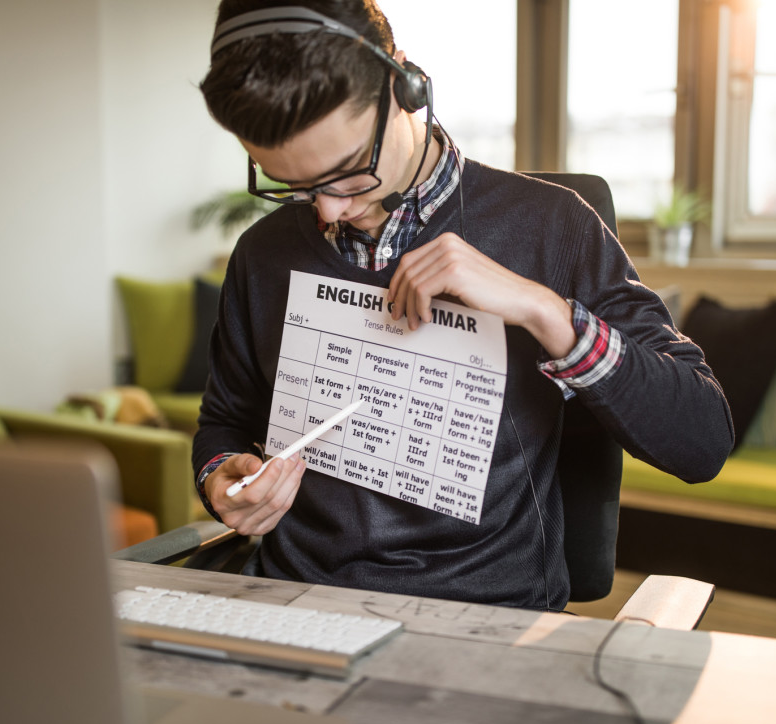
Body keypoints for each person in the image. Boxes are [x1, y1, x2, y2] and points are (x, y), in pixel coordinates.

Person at [193, 0, 733, 610]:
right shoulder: (262, 253)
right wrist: (220, 476)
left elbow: (702, 441)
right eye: (291, 184)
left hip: (482, 613)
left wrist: (544, 311)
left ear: (404, 87)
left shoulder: (552, 229)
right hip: (296, 602)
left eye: (348, 176)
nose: (326, 212)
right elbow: (225, 421)